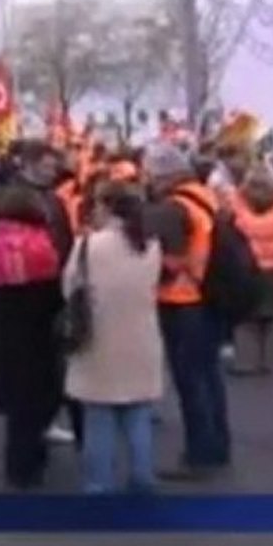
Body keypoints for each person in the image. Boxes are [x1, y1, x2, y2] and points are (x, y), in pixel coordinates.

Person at [64, 181, 164, 494]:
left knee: (99, 418)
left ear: (105, 207)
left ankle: (99, 483)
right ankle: (142, 477)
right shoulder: (150, 245)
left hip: (98, 339)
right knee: (138, 415)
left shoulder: (88, 246)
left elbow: (69, 287)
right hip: (142, 337)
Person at [145, 143, 230, 480]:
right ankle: (217, 445)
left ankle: (199, 454)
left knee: (190, 381)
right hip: (209, 293)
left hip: (181, 299)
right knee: (209, 377)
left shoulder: (172, 208)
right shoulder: (205, 196)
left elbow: (167, 258)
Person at [0, 186, 64, 489]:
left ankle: (19, 466)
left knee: (17, 407)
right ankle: (30, 461)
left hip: (4, 333)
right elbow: (52, 294)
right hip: (37, 334)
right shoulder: (39, 243)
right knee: (39, 400)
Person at [14, 140, 80, 446]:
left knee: (54, 359)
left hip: (55, 282)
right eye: (47, 165)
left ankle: (46, 417)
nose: (53, 170)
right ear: (31, 164)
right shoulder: (19, 198)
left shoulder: (52, 198)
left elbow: (64, 237)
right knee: (37, 361)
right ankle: (37, 421)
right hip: (31, 286)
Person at [228, 164, 273, 377]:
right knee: (269, 317)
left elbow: (245, 225)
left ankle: (247, 361)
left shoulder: (239, 206)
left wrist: (238, 197)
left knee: (245, 319)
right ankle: (268, 359)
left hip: (249, 267)